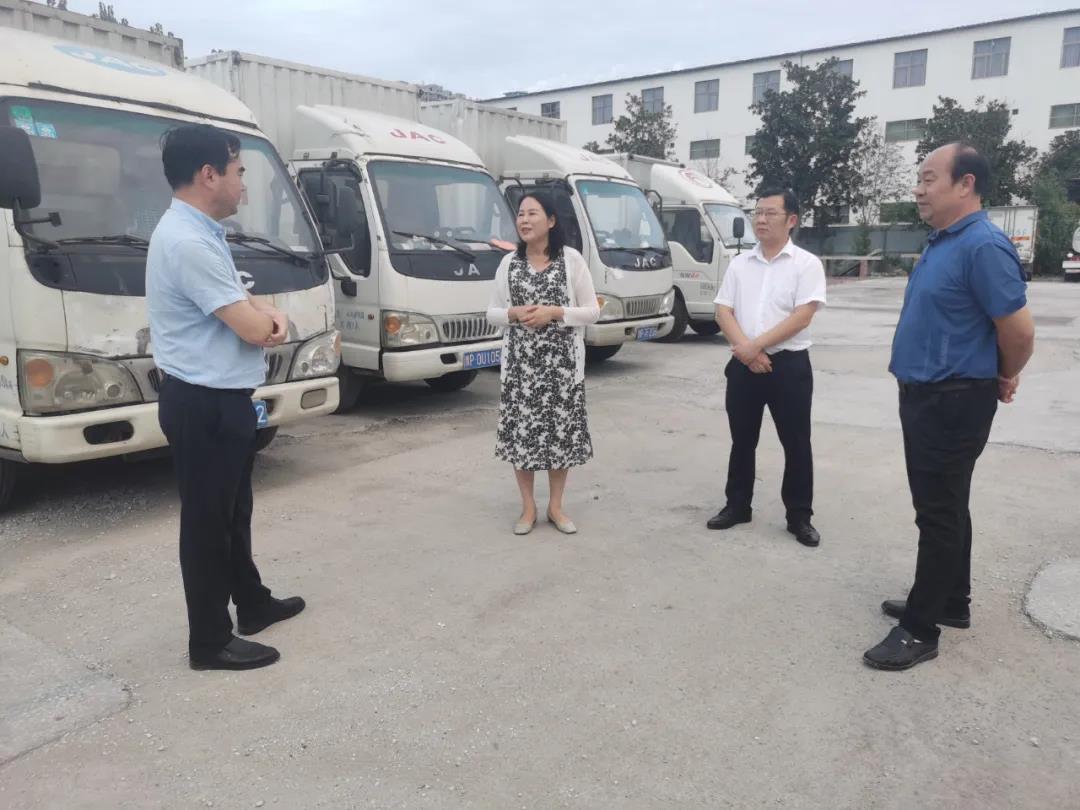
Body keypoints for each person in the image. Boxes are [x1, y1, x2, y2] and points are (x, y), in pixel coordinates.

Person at [863, 143, 1035, 671]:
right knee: (947, 503)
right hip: (929, 395)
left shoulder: (983, 245)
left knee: (937, 513)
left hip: (952, 400)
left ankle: (920, 629)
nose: (918, 188)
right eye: (919, 179)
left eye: (929, 178)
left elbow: (1019, 332)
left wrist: (1004, 372)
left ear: (966, 184)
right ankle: (952, 601)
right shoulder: (945, 240)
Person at [147, 125, 305, 671]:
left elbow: (247, 300)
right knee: (207, 524)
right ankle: (209, 641)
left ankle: (252, 603)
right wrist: (270, 320)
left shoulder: (202, 232)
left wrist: (265, 314)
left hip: (221, 399)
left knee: (233, 511)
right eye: (239, 172)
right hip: (203, 402)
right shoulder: (187, 242)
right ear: (208, 175)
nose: (244, 184)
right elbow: (255, 325)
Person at [707, 188, 826, 548]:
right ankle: (737, 505)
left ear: (792, 220)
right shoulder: (740, 264)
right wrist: (747, 352)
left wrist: (754, 346)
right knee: (742, 440)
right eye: (757, 212)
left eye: (770, 213)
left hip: (789, 366)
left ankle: (799, 516)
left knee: (796, 442)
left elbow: (802, 316)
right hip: (743, 366)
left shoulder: (806, 264)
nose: (760, 219)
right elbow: (723, 310)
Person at [487, 191, 600, 535]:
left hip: (561, 369)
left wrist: (555, 312)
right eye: (521, 214)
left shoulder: (571, 260)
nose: (524, 220)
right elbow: (491, 313)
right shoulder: (509, 263)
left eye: (532, 213)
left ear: (550, 221)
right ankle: (528, 508)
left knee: (559, 438)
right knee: (522, 439)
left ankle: (555, 507)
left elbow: (592, 311)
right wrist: (512, 313)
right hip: (521, 370)